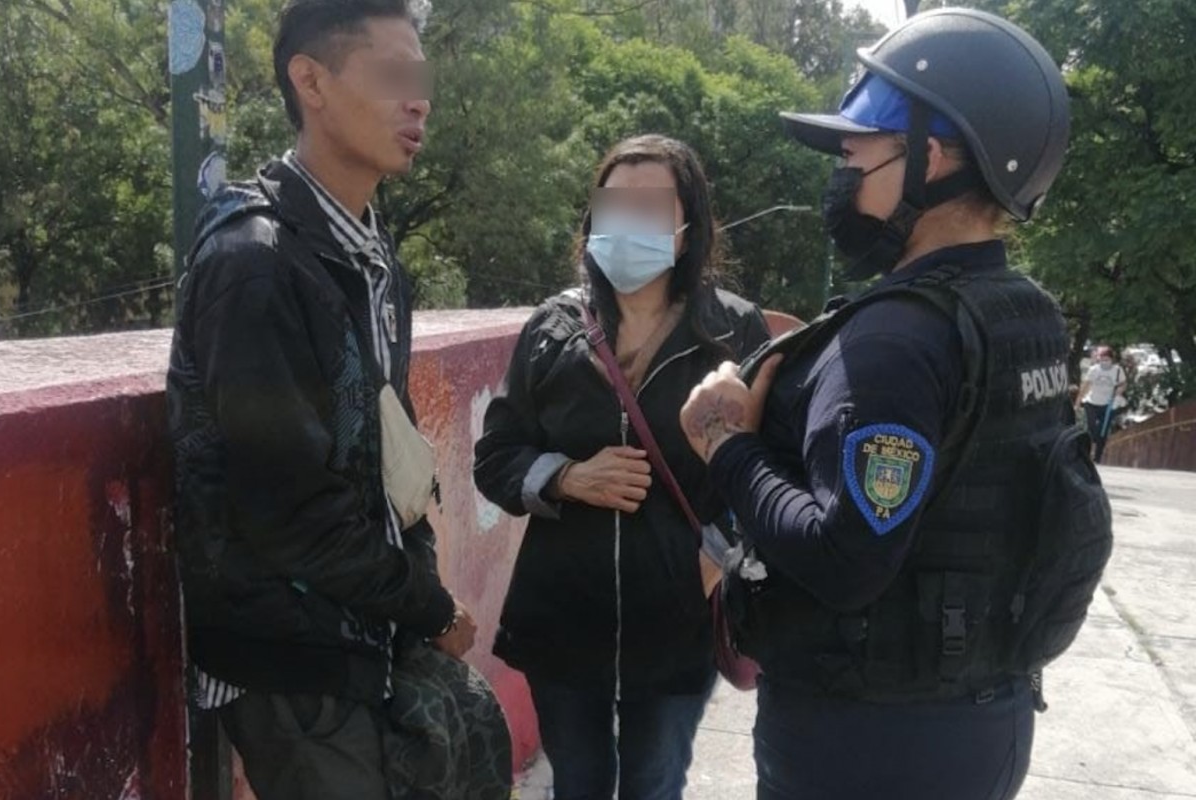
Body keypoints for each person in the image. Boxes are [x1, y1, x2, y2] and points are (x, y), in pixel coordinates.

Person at [679, 9, 1109, 800]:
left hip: (866, 740)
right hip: (987, 718)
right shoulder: (1026, 313)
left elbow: (847, 561)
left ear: (933, 158)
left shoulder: (893, 341)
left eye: (855, 153)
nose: (841, 174)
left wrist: (726, 444)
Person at [167, 2, 509, 798]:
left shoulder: (369, 251)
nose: (418, 100)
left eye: (422, 80)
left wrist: (415, 592)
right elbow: (288, 514)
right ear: (311, 81)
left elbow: (388, 444)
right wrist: (428, 605)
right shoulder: (255, 264)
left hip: (369, 630)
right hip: (295, 659)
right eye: (393, 76)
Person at [473, 134, 771, 800]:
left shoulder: (733, 333)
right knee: (576, 783)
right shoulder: (554, 328)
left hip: (673, 622)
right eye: (615, 205)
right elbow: (495, 457)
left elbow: (767, 472)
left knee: (653, 783)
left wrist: (713, 558)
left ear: (686, 225)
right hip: (563, 617)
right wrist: (565, 476)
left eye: (650, 206)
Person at [1079, 345, 1128, 462]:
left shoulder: (1117, 370)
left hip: (1108, 404)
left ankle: (1097, 457)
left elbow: (1123, 384)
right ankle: (1090, 449)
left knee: (1103, 431)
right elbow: (1086, 386)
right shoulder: (1094, 370)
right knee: (1092, 428)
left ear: (1112, 359)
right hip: (1091, 402)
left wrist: (1119, 390)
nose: (1104, 362)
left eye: (1107, 359)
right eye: (1102, 359)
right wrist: (1078, 401)